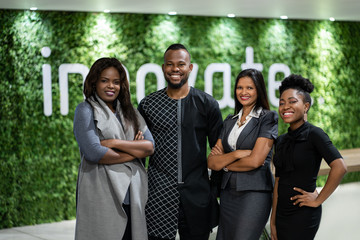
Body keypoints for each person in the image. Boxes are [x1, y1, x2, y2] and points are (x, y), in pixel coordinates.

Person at [138, 43, 223, 240]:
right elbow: (140, 152)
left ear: (190, 68)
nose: (175, 69)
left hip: (197, 194)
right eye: (170, 64)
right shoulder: (148, 105)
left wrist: (213, 192)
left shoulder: (207, 104)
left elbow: (219, 151)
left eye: (181, 64)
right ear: (163, 68)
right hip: (157, 194)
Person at [73, 57, 154, 240]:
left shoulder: (130, 112)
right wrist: (134, 150)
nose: (111, 86)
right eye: (105, 80)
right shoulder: (85, 110)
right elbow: (94, 152)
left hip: (133, 193)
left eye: (116, 82)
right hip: (101, 192)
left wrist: (114, 143)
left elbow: (149, 146)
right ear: (94, 82)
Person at [270, 74, 347, 240]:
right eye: (282, 103)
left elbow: (340, 167)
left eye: (292, 102)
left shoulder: (314, 134)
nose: (285, 107)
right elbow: (278, 182)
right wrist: (273, 220)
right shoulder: (281, 140)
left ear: (306, 106)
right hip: (282, 215)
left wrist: (318, 199)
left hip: (303, 215)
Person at [207, 68, 278, 240]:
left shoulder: (267, 118)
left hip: (254, 193)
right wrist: (237, 154)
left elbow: (255, 161)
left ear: (259, 90)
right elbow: (212, 162)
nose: (244, 92)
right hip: (228, 193)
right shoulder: (229, 121)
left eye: (250, 88)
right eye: (240, 87)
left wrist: (224, 164)